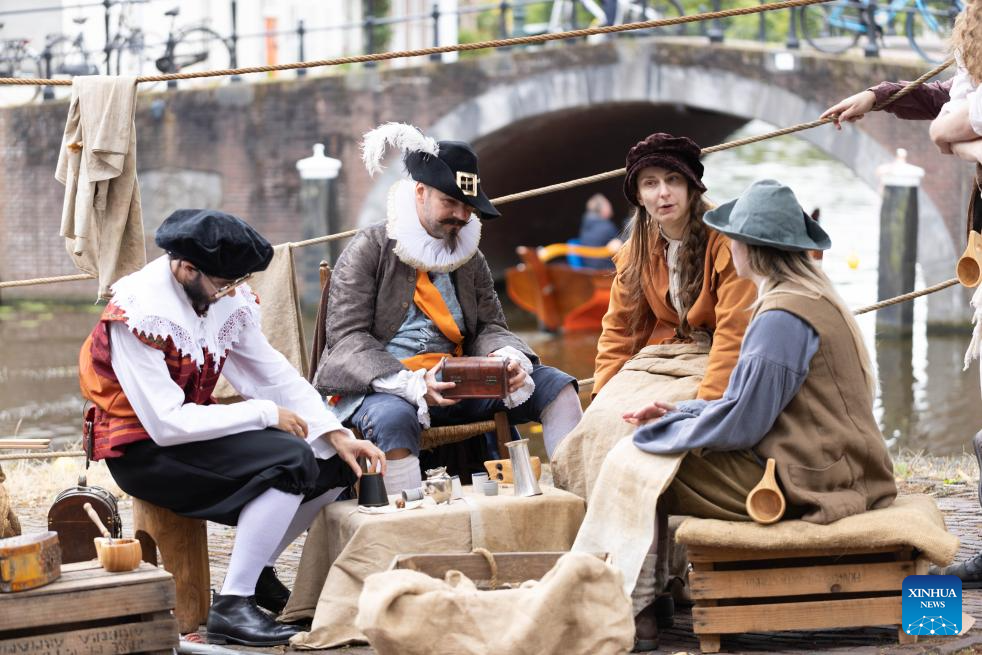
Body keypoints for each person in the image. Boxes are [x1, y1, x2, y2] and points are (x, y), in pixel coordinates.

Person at [78, 209, 385, 647]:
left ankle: (255, 573)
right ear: (187, 268)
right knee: (291, 460)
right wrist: (264, 413)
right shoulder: (138, 314)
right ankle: (232, 606)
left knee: (335, 462)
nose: (228, 294)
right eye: (222, 284)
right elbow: (166, 424)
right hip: (143, 453)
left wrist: (337, 434)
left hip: (191, 434)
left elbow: (271, 374)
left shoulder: (217, 298)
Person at [626, 179, 897, 647]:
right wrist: (681, 410)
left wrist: (660, 432)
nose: (727, 245)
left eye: (732, 237)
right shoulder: (810, 297)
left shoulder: (780, 317)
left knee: (643, 469)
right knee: (657, 454)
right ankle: (662, 594)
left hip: (811, 479)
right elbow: (751, 403)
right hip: (839, 463)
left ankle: (642, 611)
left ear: (751, 248)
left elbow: (743, 424)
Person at [313, 123, 582, 495]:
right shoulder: (369, 248)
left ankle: (577, 500)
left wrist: (507, 359)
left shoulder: (470, 256)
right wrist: (411, 384)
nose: (459, 215)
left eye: (467, 207)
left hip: (461, 382)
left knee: (556, 386)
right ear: (420, 192)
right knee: (393, 418)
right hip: (386, 387)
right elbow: (347, 338)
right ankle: (408, 520)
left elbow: (489, 326)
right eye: (450, 203)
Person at [595, 132, 757, 399]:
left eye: (673, 179)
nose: (663, 193)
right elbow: (620, 334)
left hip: (737, 359)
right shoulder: (636, 252)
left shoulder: (728, 244)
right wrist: (602, 398)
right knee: (610, 413)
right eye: (650, 183)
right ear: (639, 196)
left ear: (691, 186)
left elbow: (735, 336)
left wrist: (704, 407)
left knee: (665, 415)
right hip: (685, 356)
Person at [576, 193, 622, 270]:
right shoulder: (607, 227)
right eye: (608, 204)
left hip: (587, 270)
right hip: (604, 271)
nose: (610, 206)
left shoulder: (585, 226)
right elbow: (621, 247)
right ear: (603, 209)